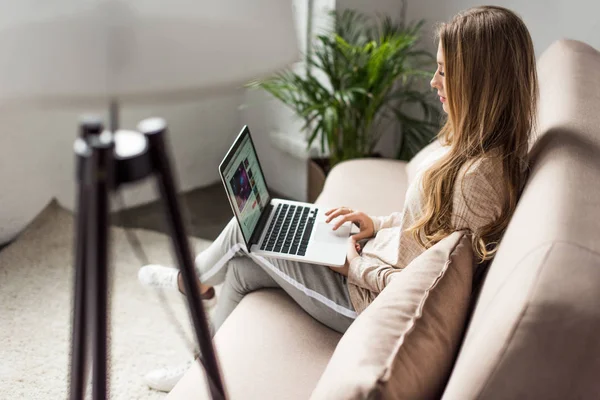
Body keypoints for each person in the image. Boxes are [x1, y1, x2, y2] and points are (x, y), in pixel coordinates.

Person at [137, 5, 538, 392]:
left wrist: (355, 265)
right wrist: (376, 225)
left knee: (255, 231)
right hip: (370, 259)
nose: (433, 82)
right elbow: (433, 223)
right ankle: (201, 370)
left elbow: (433, 290)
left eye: (445, 72)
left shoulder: (479, 180)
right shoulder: (478, 150)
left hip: (368, 302)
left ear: (481, 82)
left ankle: (190, 281)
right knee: (246, 262)